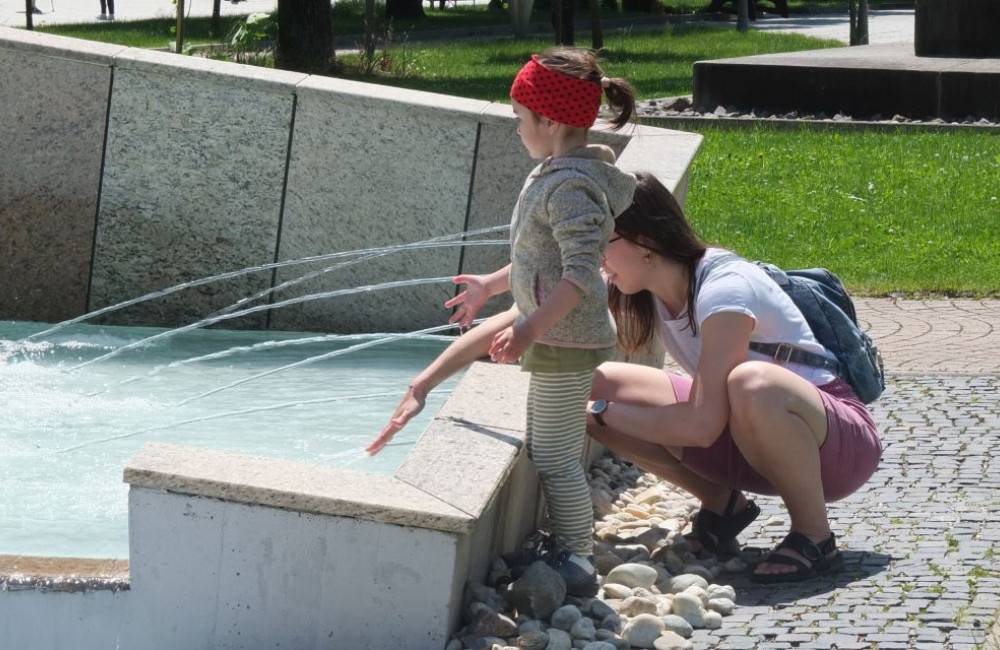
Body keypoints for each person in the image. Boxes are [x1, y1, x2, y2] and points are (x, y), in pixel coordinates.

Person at [370, 172, 883, 584]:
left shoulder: (725, 290)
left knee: (751, 382)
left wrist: (597, 416)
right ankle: (723, 505)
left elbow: (703, 425)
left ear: (642, 241)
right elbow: (524, 318)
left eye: (601, 243)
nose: (594, 258)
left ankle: (814, 537)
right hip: (749, 438)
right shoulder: (643, 280)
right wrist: (424, 384)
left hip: (834, 446)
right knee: (592, 381)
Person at [368, 47, 638, 597]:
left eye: (520, 119)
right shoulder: (560, 173)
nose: (516, 130)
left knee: (556, 454)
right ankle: (569, 546)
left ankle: (579, 560)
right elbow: (543, 257)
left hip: (567, 340)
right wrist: (493, 286)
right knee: (546, 447)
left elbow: (582, 274)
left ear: (551, 119)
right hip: (558, 336)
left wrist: (529, 327)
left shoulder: (571, 186)